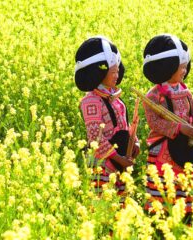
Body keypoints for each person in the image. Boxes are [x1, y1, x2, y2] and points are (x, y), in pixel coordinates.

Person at [141, 34, 193, 219]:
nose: (184, 71)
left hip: (187, 146)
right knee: (163, 196)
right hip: (163, 151)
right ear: (167, 67)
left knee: (189, 194)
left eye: (186, 67)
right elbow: (154, 122)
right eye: (181, 67)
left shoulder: (185, 91)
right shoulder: (154, 96)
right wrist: (179, 128)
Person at [75, 36, 140, 203]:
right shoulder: (91, 101)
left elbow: (125, 126)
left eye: (118, 70)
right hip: (103, 165)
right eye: (112, 71)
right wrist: (120, 159)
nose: (116, 75)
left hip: (122, 161)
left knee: (122, 206)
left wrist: (135, 143)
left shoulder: (116, 99)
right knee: (104, 206)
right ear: (99, 73)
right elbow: (95, 137)